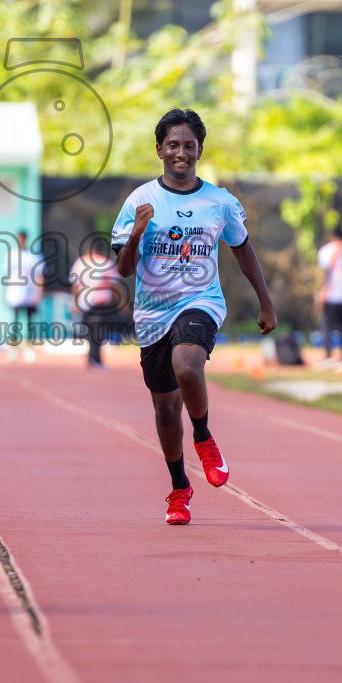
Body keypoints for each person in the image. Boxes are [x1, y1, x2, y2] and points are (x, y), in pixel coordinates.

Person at [112, 108, 277, 526]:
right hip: (152, 312)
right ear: (159, 150)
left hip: (201, 300)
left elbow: (242, 248)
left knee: (187, 366)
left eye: (188, 146)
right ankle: (179, 488)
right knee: (166, 412)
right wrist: (135, 233)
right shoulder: (140, 201)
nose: (180, 153)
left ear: (200, 149)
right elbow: (124, 269)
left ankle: (203, 437)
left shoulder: (219, 202)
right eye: (173, 146)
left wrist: (265, 300)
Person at [69, 238, 125, 370]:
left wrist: (75, 302)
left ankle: (93, 358)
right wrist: (122, 303)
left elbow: (75, 286)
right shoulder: (107, 263)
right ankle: (94, 359)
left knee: (91, 332)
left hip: (85, 303)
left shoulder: (81, 262)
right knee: (98, 332)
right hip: (101, 303)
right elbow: (115, 287)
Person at [315, 226, 342, 364]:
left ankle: (328, 356)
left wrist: (320, 293)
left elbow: (323, 273)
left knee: (327, 325)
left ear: (331, 236)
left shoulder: (327, 250)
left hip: (330, 294)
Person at [4, 230, 44, 346]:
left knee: (29, 319)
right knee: (15, 319)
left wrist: (39, 293)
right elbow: (7, 275)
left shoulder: (34, 256)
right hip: (15, 293)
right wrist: (5, 293)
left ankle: (29, 342)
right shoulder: (11, 255)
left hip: (30, 293)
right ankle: (14, 341)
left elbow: (40, 275)